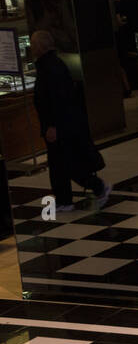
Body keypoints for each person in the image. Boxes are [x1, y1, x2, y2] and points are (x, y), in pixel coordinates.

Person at [30, 30, 111, 212]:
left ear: (42, 46)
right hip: (59, 124)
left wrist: (52, 125)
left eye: (34, 44)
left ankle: (98, 186)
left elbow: (58, 100)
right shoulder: (49, 65)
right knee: (59, 164)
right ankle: (64, 199)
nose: (31, 47)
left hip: (60, 125)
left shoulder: (51, 67)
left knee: (67, 163)